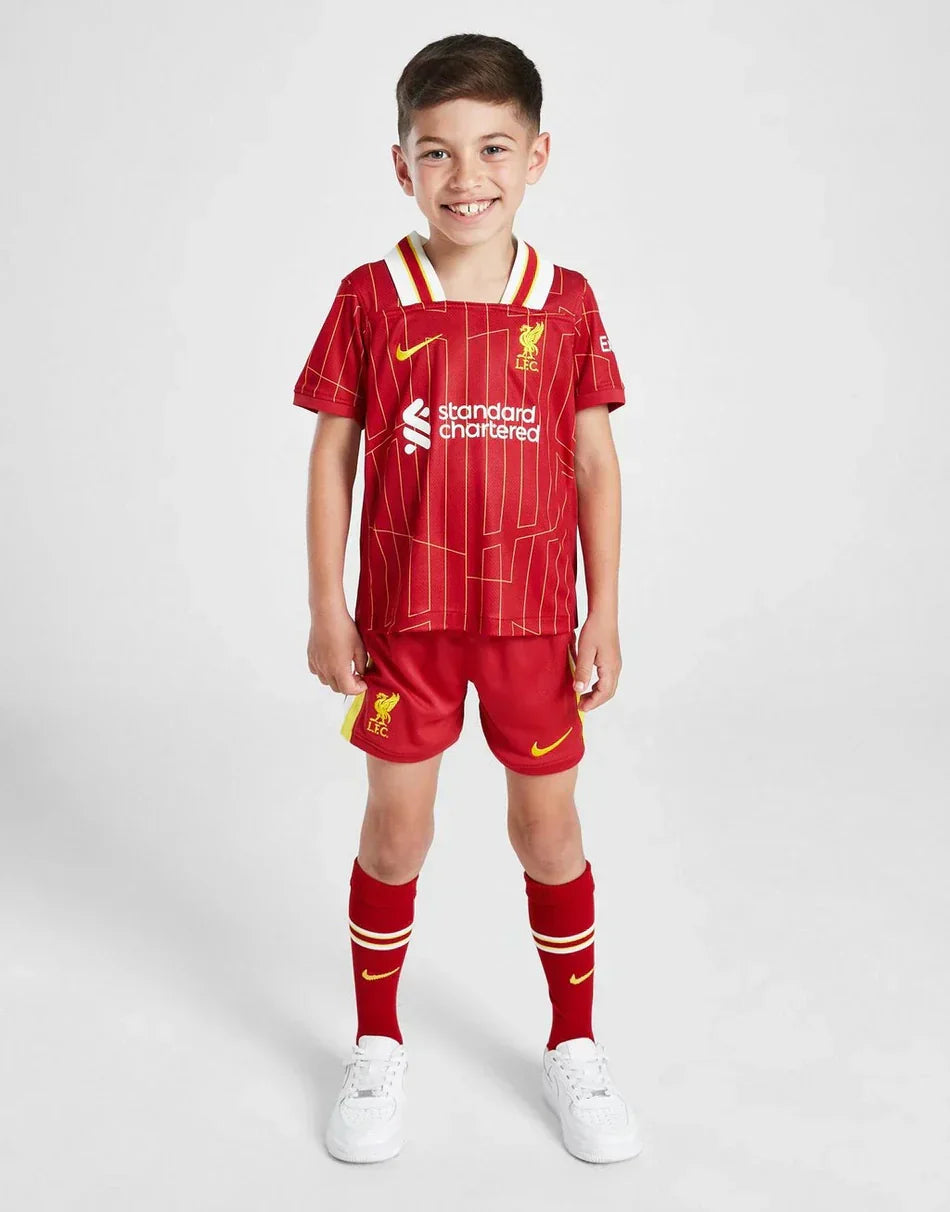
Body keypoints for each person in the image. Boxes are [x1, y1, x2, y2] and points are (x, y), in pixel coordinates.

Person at [291, 32, 642, 1166]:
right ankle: (376, 1042)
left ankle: (574, 1046)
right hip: (404, 627)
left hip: (534, 624)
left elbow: (593, 463)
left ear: (536, 157)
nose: (465, 176)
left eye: (492, 148)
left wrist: (603, 610)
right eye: (436, 152)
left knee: (549, 832)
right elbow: (333, 456)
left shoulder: (566, 303)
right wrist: (328, 606)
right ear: (402, 166)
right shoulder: (371, 296)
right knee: (397, 835)